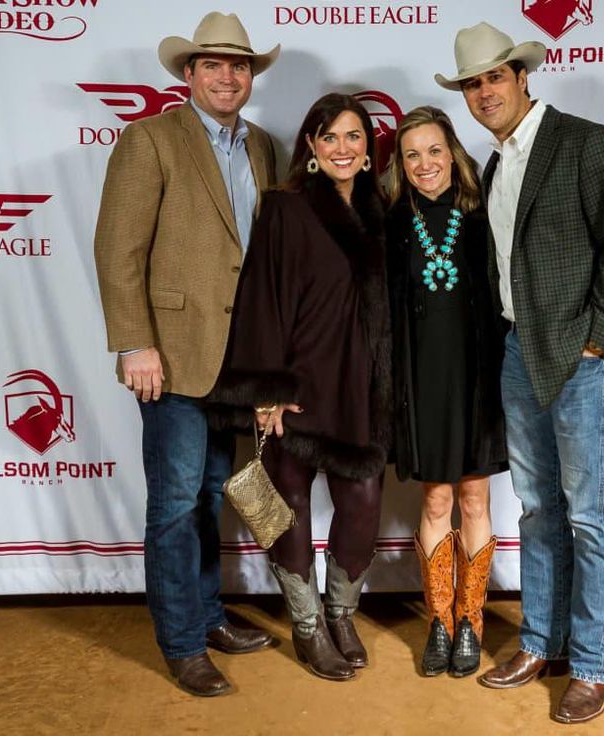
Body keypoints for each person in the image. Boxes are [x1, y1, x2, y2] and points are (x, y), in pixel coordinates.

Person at [436, 22, 604, 723]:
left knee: (591, 516)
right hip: (517, 354)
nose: (484, 91)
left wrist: (601, 340)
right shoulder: (496, 163)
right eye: (472, 82)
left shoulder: (586, 144)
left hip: (582, 361)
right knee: (537, 510)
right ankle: (541, 642)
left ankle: (593, 664)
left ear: (523, 77)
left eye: (494, 77)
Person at [93, 12, 280, 697]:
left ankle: (206, 615)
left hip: (236, 359)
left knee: (208, 494)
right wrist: (136, 343)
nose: (227, 76)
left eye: (239, 66)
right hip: (169, 356)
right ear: (188, 75)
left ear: (250, 76)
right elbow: (118, 251)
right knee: (173, 502)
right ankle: (180, 642)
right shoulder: (150, 140)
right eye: (212, 65)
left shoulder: (263, 147)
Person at [206, 93, 392, 682]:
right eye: (330, 136)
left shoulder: (381, 210)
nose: (343, 147)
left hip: (359, 384)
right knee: (288, 506)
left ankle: (341, 612)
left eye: (354, 137)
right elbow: (262, 297)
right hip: (298, 385)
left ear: (369, 150)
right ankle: (308, 625)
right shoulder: (285, 208)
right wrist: (265, 389)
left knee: (362, 504)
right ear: (311, 145)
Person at [385, 106, 507, 678]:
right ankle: (439, 621)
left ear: (452, 153)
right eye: (412, 154)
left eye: (434, 151)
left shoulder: (483, 214)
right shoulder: (391, 223)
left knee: (475, 501)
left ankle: (471, 623)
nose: (424, 164)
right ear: (400, 165)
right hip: (421, 382)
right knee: (436, 501)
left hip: (478, 379)